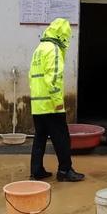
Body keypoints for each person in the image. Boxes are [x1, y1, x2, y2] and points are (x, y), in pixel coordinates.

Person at [29, 18, 85, 182]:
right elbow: (53, 79)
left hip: (38, 105)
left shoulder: (38, 49)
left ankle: (37, 170)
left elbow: (31, 77)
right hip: (51, 105)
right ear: (62, 35)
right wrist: (57, 101)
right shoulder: (53, 50)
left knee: (39, 138)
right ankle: (65, 170)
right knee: (62, 139)